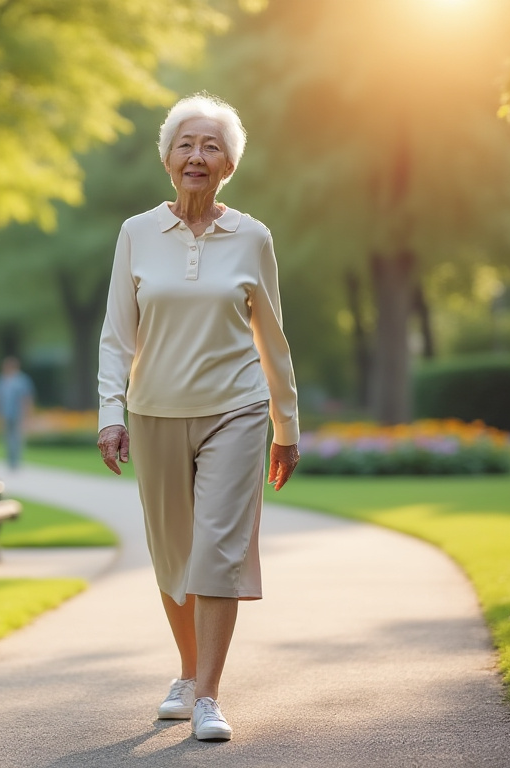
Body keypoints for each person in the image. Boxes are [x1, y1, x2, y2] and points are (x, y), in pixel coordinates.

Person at [95, 93, 301, 742]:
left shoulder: (253, 237)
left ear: (229, 164)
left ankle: (208, 695)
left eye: (211, 145)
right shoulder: (135, 234)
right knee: (173, 554)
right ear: (167, 158)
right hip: (154, 410)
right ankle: (186, 673)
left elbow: (273, 338)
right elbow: (115, 336)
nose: (197, 155)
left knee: (217, 550)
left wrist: (285, 425)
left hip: (235, 411)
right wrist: (110, 412)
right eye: (186, 143)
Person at [0, 356, 35, 470]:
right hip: (5, 413)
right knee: (7, 438)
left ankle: (16, 461)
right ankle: (10, 460)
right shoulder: (1, 380)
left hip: (18, 413)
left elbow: (26, 398)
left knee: (17, 438)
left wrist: (27, 414)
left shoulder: (21, 380)